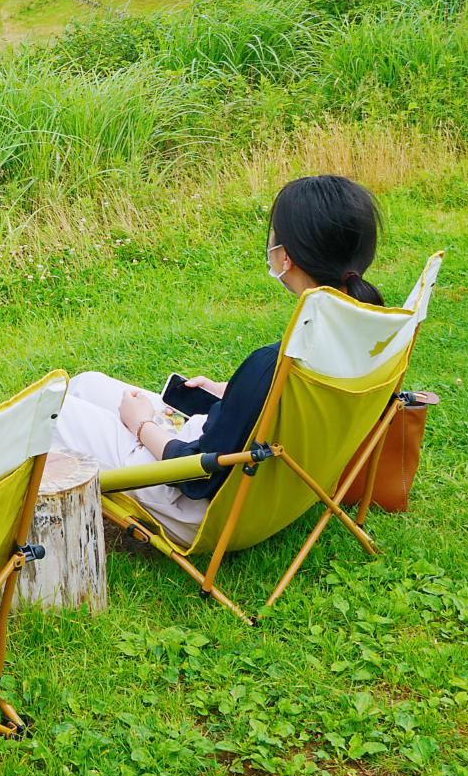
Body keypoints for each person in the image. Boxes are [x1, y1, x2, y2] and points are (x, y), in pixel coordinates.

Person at [51, 174, 386, 541]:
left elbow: (197, 477)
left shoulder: (271, 365)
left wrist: (142, 425)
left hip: (206, 509)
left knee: (55, 411)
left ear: (286, 256)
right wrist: (237, 394)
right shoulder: (368, 338)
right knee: (84, 385)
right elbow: (301, 405)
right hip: (277, 490)